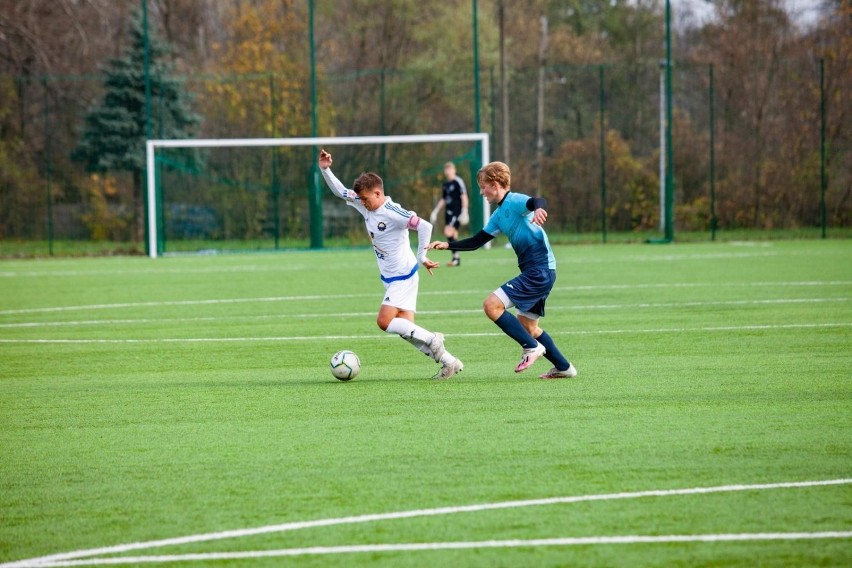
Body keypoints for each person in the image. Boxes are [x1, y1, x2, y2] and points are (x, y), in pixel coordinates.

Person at [318, 149, 463, 379]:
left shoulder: (393, 211)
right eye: (361, 199)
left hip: (403, 276)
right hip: (392, 278)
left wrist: (422, 256)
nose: (362, 203)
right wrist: (325, 169)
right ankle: (450, 362)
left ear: (378, 193)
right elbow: (340, 191)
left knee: (384, 321)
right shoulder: (364, 203)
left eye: (366, 199)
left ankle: (434, 339)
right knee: (408, 331)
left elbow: (424, 226)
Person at [428, 161, 577, 379]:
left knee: (492, 305)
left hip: (539, 270)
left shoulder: (514, 200)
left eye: (483, 186)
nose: (481, 192)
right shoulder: (498, 215)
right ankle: (564, 367)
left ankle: (531, 348)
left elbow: (537, 200)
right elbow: (477, 241)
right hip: (540, 272)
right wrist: (448, 245)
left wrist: (540, 208)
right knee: (529, 327)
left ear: (496, 183)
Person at [429, 161, 469, 267]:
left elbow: (464, 196)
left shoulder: (458, 182)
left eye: (450, 169)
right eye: (446, 170)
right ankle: (456, 258)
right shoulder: (446, 184)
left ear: (454, 170)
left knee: (448, 232)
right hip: (448, 212)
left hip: (456, 212)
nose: (448, 172)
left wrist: (465, 210)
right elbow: (444, 199)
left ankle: (456, 257)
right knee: (453, 234)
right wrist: (436, 211)